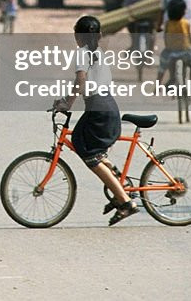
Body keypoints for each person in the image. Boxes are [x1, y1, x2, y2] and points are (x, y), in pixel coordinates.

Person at [50, 15, 138, 226]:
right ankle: (116, 179)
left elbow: (81, 80)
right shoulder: (99, 52)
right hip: (106, 106)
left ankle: (125, 201)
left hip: (99, 110)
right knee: (84, 144)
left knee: (88, 155)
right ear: (99, 35)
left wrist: (67, 104)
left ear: (76, 36)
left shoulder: (82, 53)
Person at [157, 0, 191, 88]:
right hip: (186, 52)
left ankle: (157, 85)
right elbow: (189, 38)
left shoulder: (167, 24)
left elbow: (166, 38)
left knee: (162, 67)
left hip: (171, 52)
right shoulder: (186, 23)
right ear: (183, 12)